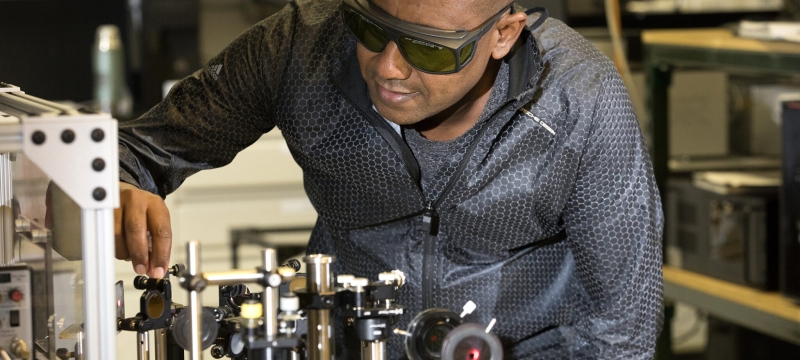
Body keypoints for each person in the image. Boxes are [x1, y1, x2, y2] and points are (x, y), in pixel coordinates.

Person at [116, 0, 664, 357]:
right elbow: (138, 150)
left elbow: (624, 318)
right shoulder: (296, 49)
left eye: (429, 48)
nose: (388, 67)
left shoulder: (579, 102)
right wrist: (118, 188)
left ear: (502, 34)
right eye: (370, 28)